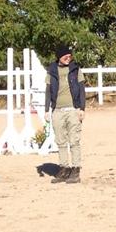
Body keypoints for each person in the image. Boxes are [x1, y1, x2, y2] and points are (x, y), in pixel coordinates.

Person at [45, 44, 86, 183]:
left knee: (74, 140)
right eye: (65, 56)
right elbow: (48, 90)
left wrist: (82, 108)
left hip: (73, 110)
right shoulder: (51, 70)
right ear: (59, 57)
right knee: (60, 141)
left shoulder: (75, 69)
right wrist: (46, 110)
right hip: (57, 110)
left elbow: (81, 89)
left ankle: (75, 169)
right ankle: (64, 168)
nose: (68, 58)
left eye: (70, 56)